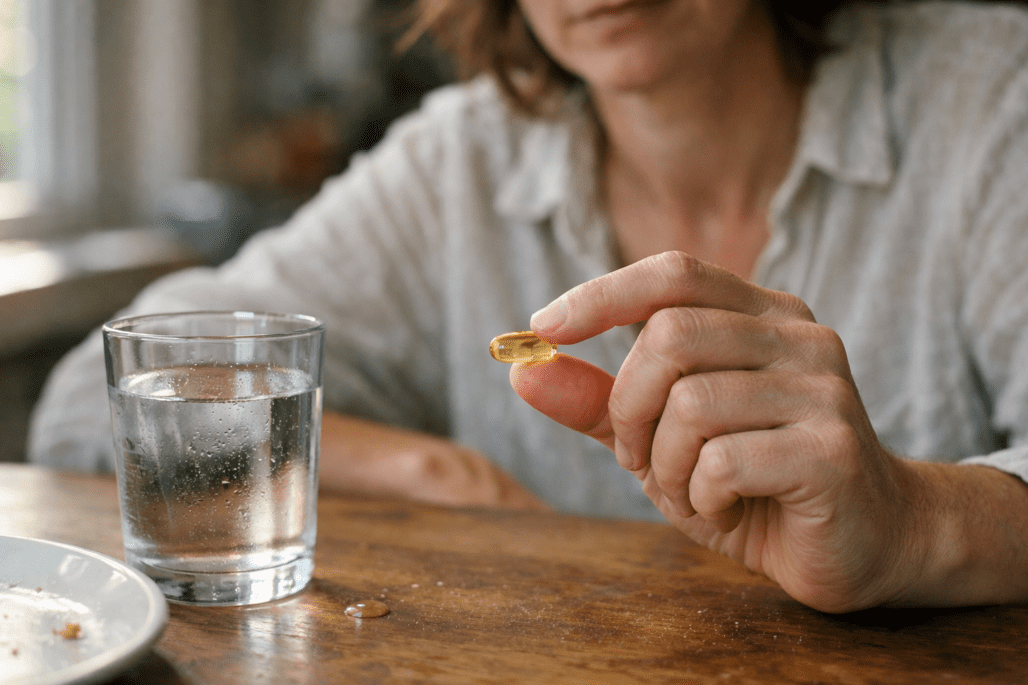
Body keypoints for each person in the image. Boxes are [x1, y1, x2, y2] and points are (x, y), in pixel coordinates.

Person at [29, 0, 1028, 613]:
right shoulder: (459, 161)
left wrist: (909, 523)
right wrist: (428, 471)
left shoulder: (990, 97)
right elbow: (91, 403)